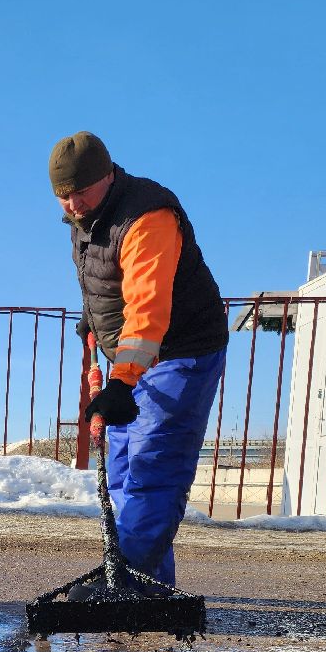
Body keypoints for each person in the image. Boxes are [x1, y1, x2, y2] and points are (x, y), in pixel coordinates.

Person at [50, 131, 228, 588]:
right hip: (133, 357)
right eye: (62, 197)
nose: (71, 205)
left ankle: (123, 585)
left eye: (79, 193)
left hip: (179, 352)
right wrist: (93, 327)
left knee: (153, 470)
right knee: (126, 476)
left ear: (107, 176)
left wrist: (122, 380)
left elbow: (148, 309)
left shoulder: (147, 216)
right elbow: (103, 283)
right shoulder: (86, 218)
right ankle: (154, 590)